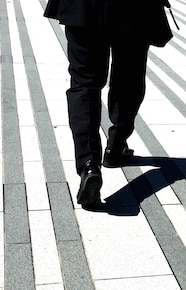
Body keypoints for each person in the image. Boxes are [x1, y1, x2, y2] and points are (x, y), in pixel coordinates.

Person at [44, 0, 173, 207]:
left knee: (84, 84)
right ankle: (116, 145)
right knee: (129, 77)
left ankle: (88, 164)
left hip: (82, 7)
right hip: (134, 8)